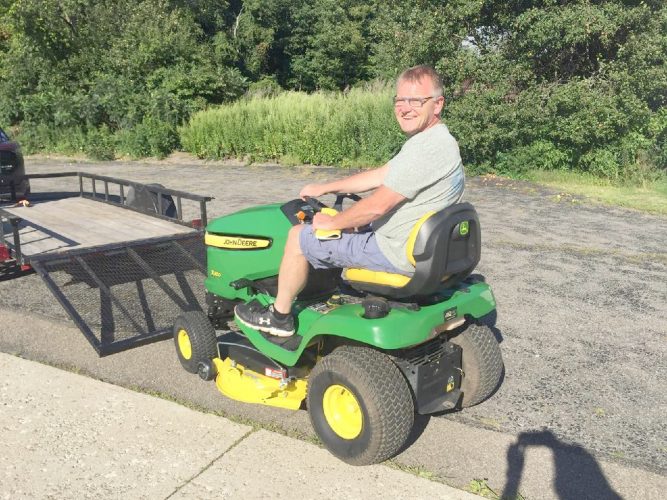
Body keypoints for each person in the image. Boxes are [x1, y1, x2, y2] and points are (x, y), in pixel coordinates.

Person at [235, 65, 465, 337]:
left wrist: (332, 224)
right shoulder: (438, 141)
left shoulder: (426, 150)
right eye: (400, 100)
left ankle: (279, 317)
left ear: (437, 104)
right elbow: (380, 175)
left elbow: (377, 206)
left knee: (298, 236)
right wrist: (325, 187)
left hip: (394, 252)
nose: (405, 108)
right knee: (352, 224)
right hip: (415, 247)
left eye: (415, 101)